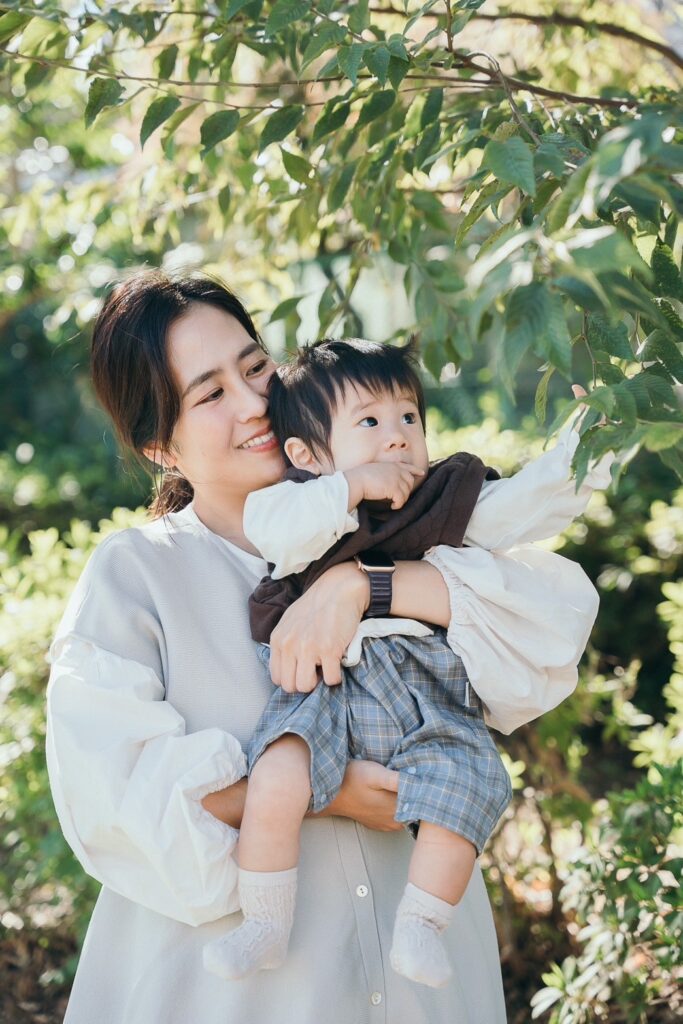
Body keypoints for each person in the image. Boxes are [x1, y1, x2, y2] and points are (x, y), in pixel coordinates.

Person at [47, 270, 516, 1024]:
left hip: (424, 982)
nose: (253, 403)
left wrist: (363, 586)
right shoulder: (138, 575)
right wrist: (325, 793)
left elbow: (538, 642)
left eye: (255, 366)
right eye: (209, 394)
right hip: (236, 998)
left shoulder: (403, 516)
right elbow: (115, 804)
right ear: (160, 446)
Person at [202, 339, 611, 989]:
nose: (396, 438)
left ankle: (421, 923)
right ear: (307, 455)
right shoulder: (299, 505)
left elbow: (528, 504)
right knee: (277, 773)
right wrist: (349, 486)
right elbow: (273, 529)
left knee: (467, 779)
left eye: (408, 418)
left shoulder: (442, 497)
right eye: (368, 422)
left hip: (425, 684)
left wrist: (590, 438)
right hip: (325, 688)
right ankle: (263, 923)